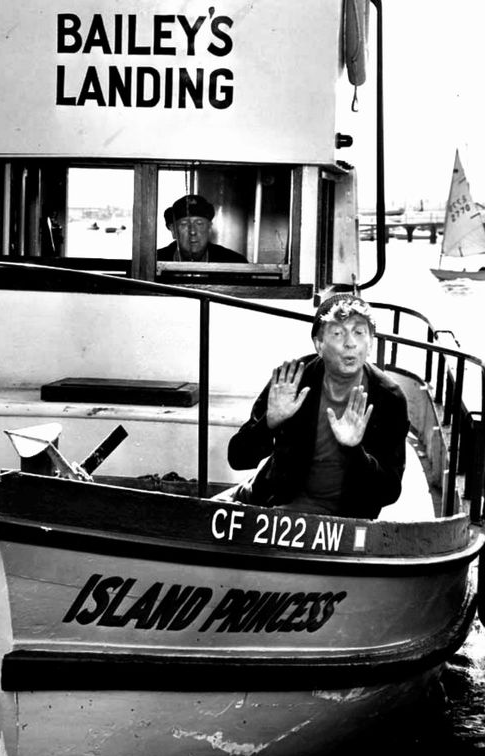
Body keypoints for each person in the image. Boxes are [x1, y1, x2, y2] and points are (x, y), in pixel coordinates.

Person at [227, 293, 409, 519]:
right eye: (338, 333)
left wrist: (354, 451)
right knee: (190, 520)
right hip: (271, 494)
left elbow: (389, 491)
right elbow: (237, 458)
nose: (350, 342)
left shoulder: (388, 398)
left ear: (370, 343)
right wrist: (269, 423)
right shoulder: (293, 380)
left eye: (359, 332)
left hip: (337, 518)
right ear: (319, 345)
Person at [157, 194, 247, 263]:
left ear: (209, 229)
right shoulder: (155, 261)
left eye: (199, 223)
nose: (192, 231)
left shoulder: (234, 262)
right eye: (184, 224)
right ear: (173, 230)